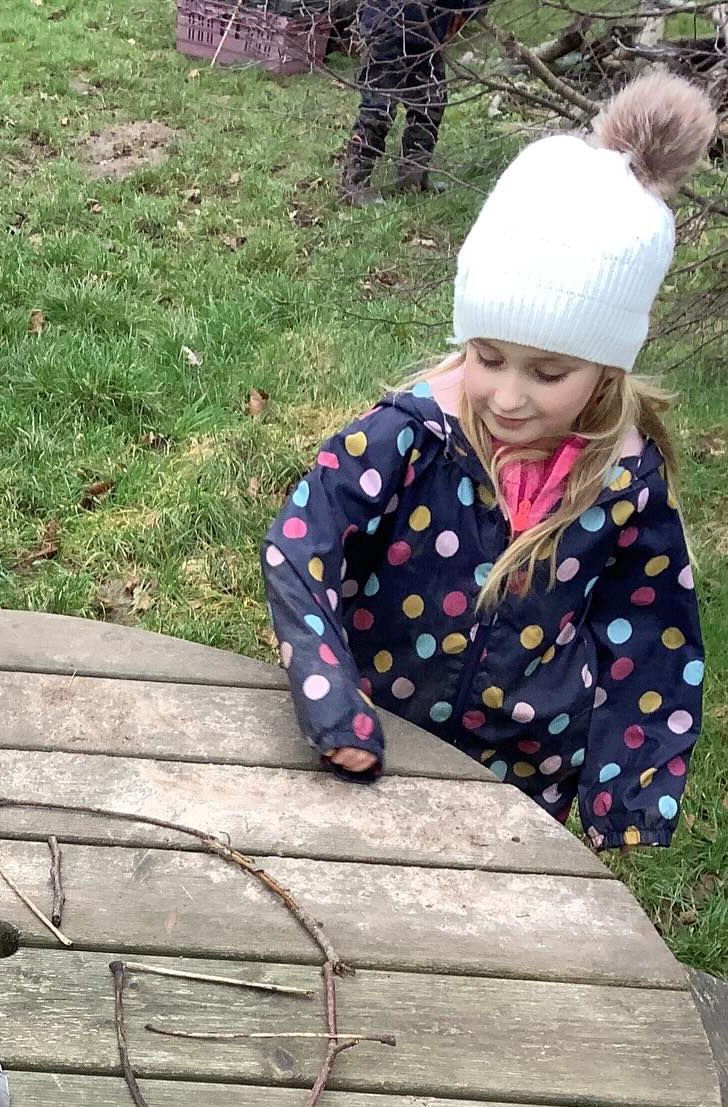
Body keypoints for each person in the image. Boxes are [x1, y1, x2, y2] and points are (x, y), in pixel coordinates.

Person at [264, 73, 716, 849]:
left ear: (608, 367)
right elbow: (303, 545)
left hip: (525, 776)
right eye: (489, 355)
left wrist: (626, 800)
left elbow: (650, 637)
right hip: (379, 735)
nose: (508, 396)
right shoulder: (413, 436)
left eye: (548, 374)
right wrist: (326, 688)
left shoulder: (624, 484)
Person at [341, 0, 492, 204]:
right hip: (388, 24)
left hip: (431, 30)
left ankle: (413, 176)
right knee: (379, 107)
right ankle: (354, 180)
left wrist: (467, 11)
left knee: (431, 101)